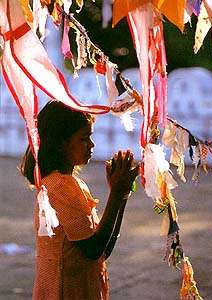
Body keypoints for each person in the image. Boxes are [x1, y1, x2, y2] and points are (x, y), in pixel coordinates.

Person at [20, 99, 140, 300]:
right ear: (61, 144)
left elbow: (102, 249)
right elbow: (93, 249)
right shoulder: (60, 187)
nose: (91, 145)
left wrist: (122, 195)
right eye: (84, 138)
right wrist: (116, 194)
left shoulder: (69, 183)